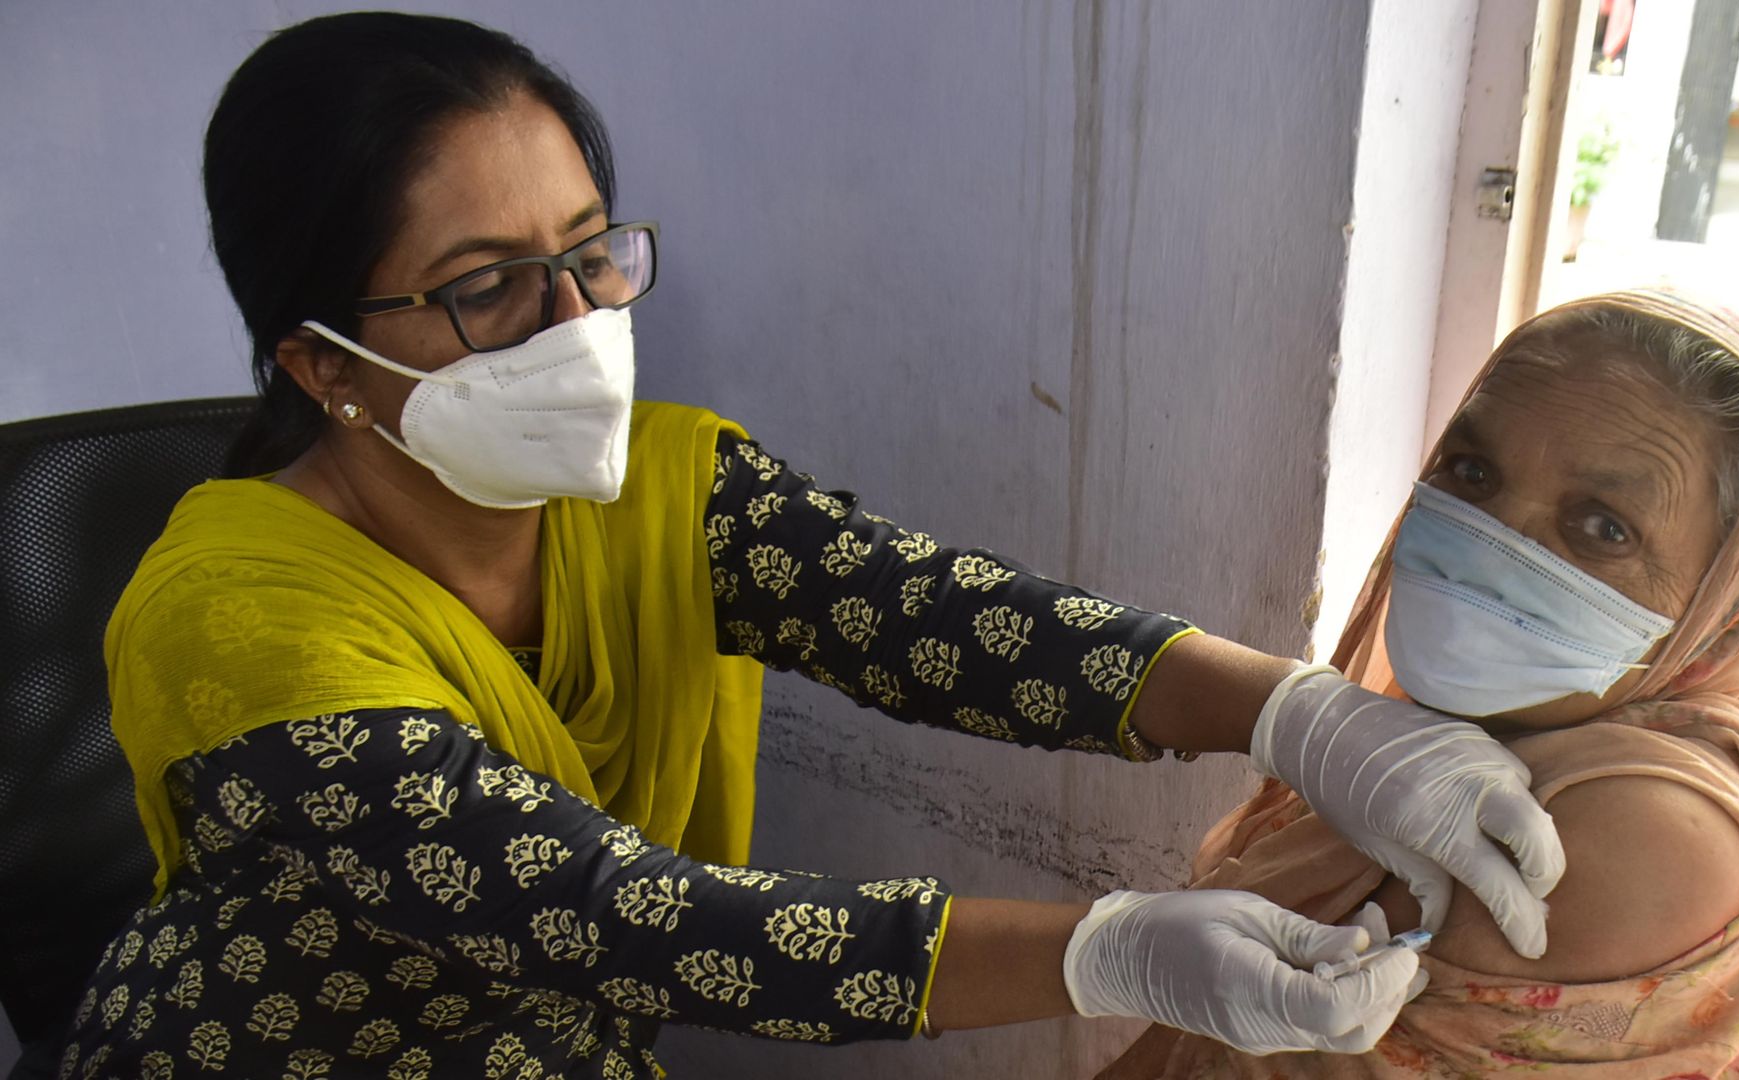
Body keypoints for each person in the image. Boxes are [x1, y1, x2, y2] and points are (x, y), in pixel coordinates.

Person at [52, 13, 1568, 1078]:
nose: (578, 328)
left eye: (591, 253)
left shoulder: (650, 491)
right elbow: (613, 919)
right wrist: (1122, 954)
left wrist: (1305, 716)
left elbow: (928, 616)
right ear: (321, 362)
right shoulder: (238, 625)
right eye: (486, 287)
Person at [1100, 289, 1739, 1078]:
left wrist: (1097, 957)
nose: (1491, 545)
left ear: (1727, 600)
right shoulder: (1434, 747)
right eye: (1473, 473)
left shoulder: (1639, 827)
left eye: (1602, 527)